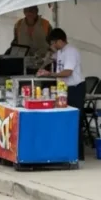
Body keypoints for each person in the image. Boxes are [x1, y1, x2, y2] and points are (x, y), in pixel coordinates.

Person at [40, 29, 86, 161]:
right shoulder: (60, 52)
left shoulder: (71, 51)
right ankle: (68, 151)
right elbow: (50, 58)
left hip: (75, 88)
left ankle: (78, 154)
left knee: (75, 120)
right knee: (66, 120)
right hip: (64, 89)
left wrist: (50, 74)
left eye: (53, 43)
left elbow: (67, 72)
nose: (52, 46)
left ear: (60, 41)